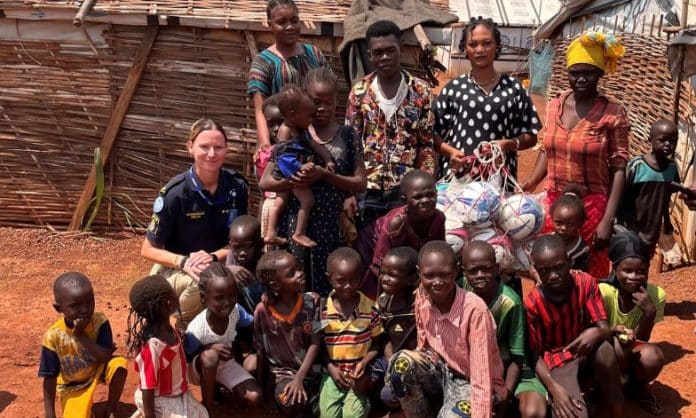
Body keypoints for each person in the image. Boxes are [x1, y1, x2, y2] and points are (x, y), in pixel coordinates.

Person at [522, 30, 628, 280]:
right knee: (551, 271)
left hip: (592, 208)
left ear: (600, 74)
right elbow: (548, 151)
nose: (580, 79)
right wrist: (530, 182)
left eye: (588, 72)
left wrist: (607, 220)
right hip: (553, 206)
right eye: (575, 72)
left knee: (590, 276)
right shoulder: (554, 106)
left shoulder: (612, 114)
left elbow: (619, 168)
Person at [260, 67, 367, 296]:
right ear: (304, 98)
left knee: (331, 288)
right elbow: (265, 182)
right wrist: (294, 181)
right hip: (296, 222)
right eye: (316, 101)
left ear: (337, 101)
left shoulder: (347, 135)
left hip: (332, 225)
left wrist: (326, 175)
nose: (322, 108)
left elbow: (360, 183)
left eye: (329, 102)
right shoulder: (292, 134)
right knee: (296, 287)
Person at [141, 118, 249, 327]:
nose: (211, 154)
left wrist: (211, 256)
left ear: (226, 150)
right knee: (201, 284)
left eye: (218, 147)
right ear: (190, 148)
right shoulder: (175, 194)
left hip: (217, 262)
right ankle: (174, 327)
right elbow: (147, 249)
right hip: (177, 266)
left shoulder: (237, 188)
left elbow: (239, 242)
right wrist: (184, 262)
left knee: (232, 281)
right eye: (204, 146)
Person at [385, 241, 506, 418]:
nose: (437, 282)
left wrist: (481, 412)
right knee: (401, 365)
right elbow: (423, 340)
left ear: (456, 271)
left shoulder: (474, 310)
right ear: (419, 273)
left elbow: (482, 374)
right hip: (443, 370)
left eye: (444, 275)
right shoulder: (422, 295)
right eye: (429, 275)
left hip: (472, 380)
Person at [345, 19, 435, 226]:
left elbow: (427, 146)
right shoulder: (359, 92)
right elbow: (351, 145)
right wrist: (349, 191)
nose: (384, 57)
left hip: (405, 192)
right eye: (378, 52)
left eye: (390, 50)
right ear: (369, 55)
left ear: (400, 50)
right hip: (367, 190)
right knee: (367, 250)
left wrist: (424, 191)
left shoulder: (420, 92)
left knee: (402, 253)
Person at [526, 234, 624, 418]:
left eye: (559, 267)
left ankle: (615, 408)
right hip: (557, 360)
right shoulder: (533, 303)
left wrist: (597, 331)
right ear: (537, 271)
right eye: (545, 271)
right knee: (574, 414)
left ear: (569, 262)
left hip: (584, 350)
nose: (554, 275)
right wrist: (554, 389)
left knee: (607, 350)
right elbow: (534, 355)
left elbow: (603, 326)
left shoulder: (585, 282)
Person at [433, 17, 540, 179]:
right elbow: (433, 135)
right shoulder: (453, 89)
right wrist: (450, 152)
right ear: (464, 48)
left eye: (487, 43)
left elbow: (531, 136)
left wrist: (509, 144)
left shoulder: (514, 88)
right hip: (456, 180)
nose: (480, 49)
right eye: (473, 44)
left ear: (497, 46)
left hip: (498, 180)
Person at [461, 242, 547, 418]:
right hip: (473, 367)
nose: (480, 276)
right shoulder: (460, 289)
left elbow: (517, 357)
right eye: (473, 271)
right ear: (463, 271)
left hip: (509, 367)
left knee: (534, 412)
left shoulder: (510, 302)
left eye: (486, 269)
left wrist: (505, 395)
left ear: (497, 268)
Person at [39, 272, 127, 418]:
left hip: (98, 370)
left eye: (90, 302)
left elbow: (105, 357)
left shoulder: (100, 322)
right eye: (75, 306)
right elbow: (49, 377)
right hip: (73, 386)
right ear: (59, 308)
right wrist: (50, 414)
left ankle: (111, 408)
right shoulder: (53, 336)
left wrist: (79, 335)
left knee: (119, 364)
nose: (85, 310)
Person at [248, 0, 327, 157]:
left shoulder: (314, 54)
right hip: (284, 141)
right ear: (270, 24)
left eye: (294, 20)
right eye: (282, 22)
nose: (290, 27)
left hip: (318, 138)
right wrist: (266, 147)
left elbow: (327, 92)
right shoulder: (263, 62)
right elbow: (260, 110)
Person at [600, 231, 666, 415]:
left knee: (652, 357)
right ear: (615, 269)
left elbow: (642, 340)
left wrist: (649, 313)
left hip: (631, 350)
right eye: (627, 270)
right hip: (604, 352)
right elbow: (599, 333)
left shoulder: (656, 296)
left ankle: (634, 388)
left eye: (641, 271)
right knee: (616, 349)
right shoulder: (603, 292)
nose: (634, 277)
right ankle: (602, 390)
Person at [127, 275, 209, 418]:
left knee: (203, 415)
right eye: (172, 292)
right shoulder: (152, 347)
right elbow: (147, 387)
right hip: (157, 399)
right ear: (168, 303)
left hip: (176, 394)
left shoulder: (169, 330)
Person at [264, 85, 334, 248]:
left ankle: (270, 234)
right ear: (292, 114)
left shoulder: (299, 128)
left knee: (280, 203)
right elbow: (283, 158)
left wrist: (328, 158)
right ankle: (299, 233)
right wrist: (301, 167)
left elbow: (315, 145)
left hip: (288, 172)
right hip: (289, 173)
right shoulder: (285, 131)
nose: (311, 120)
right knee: (308, 201)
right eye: (308, 117)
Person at [185, 263, 262, 412]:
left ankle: (224, 388)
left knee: (255, 398)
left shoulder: (236, 311)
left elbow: (255, 324)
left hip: (226, 364)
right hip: (199, 370)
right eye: (219, 298)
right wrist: (208, 348)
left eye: (232, 295)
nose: (227, 302)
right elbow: (186, 358)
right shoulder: (196, 329)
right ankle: (208, 407)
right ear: (203, 298)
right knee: (211, 357)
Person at [254, 251, 321, 416]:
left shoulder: (312, 302)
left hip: (313, 371)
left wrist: (300, 377)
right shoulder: (262, 311)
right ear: (276, 285)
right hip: (282, 375)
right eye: (292, 273)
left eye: (298, 268)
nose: (300, 274)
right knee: (291, 401)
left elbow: (315, 342)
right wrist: (266, 392)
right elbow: (260, 351)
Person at [358, 169, 445, 298]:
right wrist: (380, 302)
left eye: (430, 195)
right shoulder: (396, 224)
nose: (426, 200)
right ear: (404, 201)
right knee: (373, 289)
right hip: (371, 246)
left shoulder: (438, 218)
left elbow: (438, 253)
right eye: (417, 197)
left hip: (405, 257)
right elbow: (380, 265)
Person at [318, 247, 383, 418]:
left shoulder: (371, 308)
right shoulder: (322, 310)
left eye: (354, 280)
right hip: (332, 376)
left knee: (352, 414)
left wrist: (364, 362)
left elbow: (377, 344)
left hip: (358, 376)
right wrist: (331, 368)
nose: (348, 286)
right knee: (328, 415)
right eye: (341, 280)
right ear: (329, 278)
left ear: (361, 277)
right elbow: (318, 346)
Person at [617, 119, 680, 256]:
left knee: (643, 265)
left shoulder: (672, 169)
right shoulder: (638, 166)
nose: (668, 144)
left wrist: (667, 221)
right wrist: (617, 222)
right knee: (628, 261)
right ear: (649, 140)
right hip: (630, 227)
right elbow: (620, 195)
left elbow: (665, 198)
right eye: (662, 140)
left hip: (652, 229)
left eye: (672, 141)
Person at [376, 246, 419, 411]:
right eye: (383, 273)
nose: (385, 279)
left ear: (411, 279)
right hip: (392, 359)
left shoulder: (418, 304)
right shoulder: (383, 302)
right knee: (387, 394)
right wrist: (391, 360)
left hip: (417, 361)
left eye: (392, 275)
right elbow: (384, 336)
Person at [257, 94, 283, 239]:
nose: (276, 129)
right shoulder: (264, 156)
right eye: (271, 124)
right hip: (269, 220)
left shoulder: (300, 152)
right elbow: (263, 196)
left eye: (282, 122)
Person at [551, 192, 590, 271]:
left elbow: (583, 273)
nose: (564, 228)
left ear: (580, 224)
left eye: (570, 225)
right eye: (559, 223)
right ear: (552, 218)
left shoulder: (581, 249)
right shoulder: (546, 242)